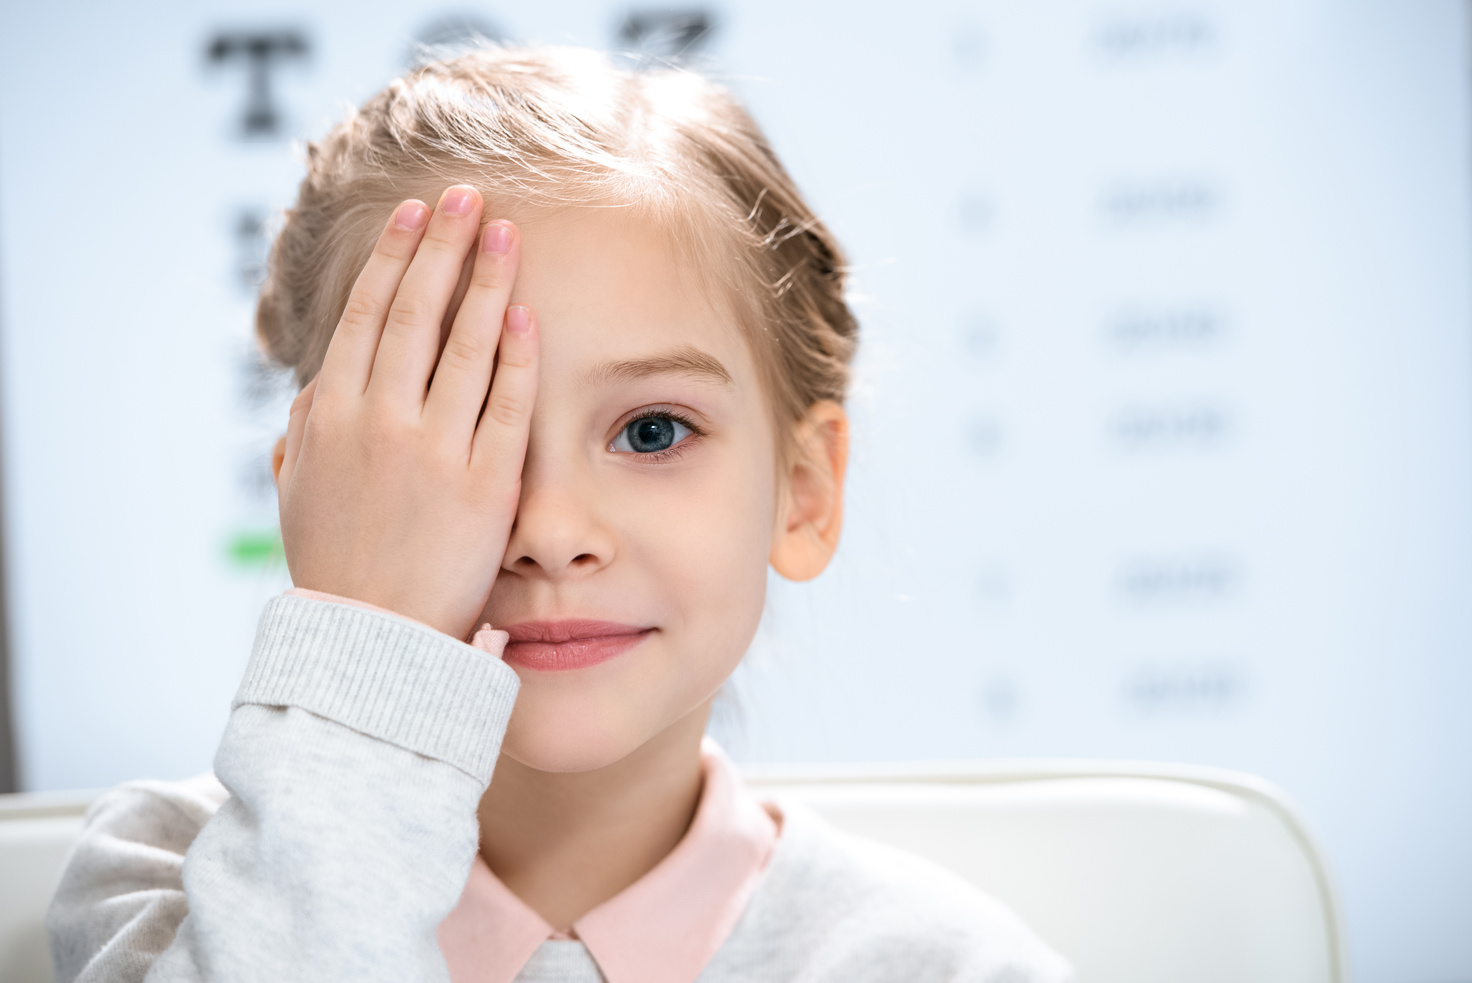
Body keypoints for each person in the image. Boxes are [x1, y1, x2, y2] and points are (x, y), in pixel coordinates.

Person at [46, 44, 1071, 983]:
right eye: (453, 435)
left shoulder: (943, 964)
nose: (548, 528)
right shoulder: (168, 886)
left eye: (654, 431)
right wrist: (368, 634)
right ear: (318, 496)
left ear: (803, 492)